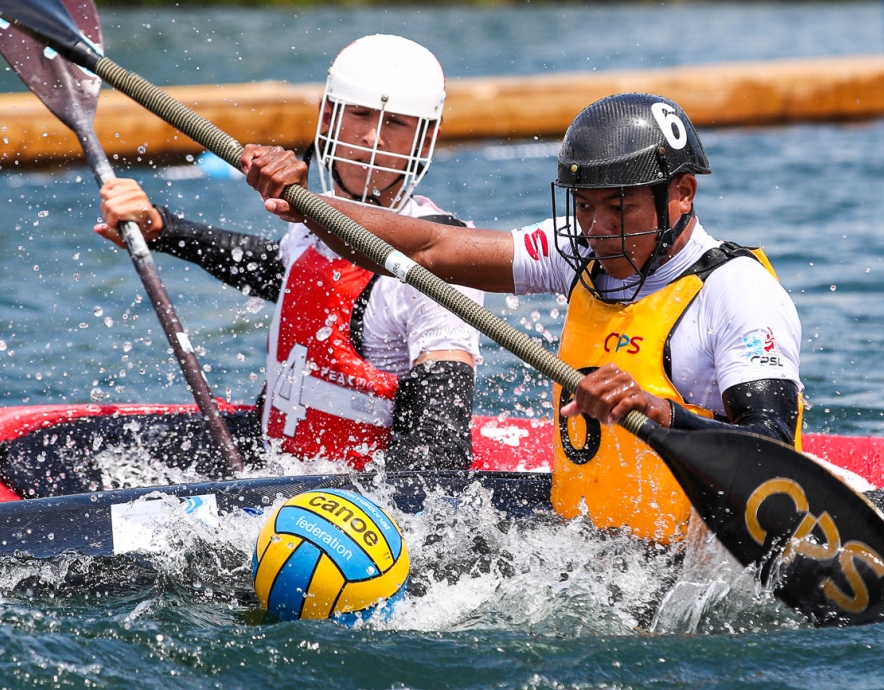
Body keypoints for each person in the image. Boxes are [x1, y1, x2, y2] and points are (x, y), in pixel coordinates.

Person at [240, 92, 803, 544]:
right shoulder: (579, 254)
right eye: (584, 205)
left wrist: (662, 411)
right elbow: (430, 249)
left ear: (682, 192)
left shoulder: (738, 291)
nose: (598, 227)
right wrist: (303, 201)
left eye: (620, 207)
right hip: (587, 548)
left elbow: (773, 448)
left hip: (689, 566)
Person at [94, 35, 483, 473]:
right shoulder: (308, 222)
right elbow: (272, 269)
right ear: (329, 115)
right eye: (359, 114)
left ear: (428, 137)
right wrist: (163, 228)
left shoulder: (442, 261)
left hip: (357, 504)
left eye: (395, 122)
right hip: (276, 464)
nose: (373, 136)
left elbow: (442, 442)